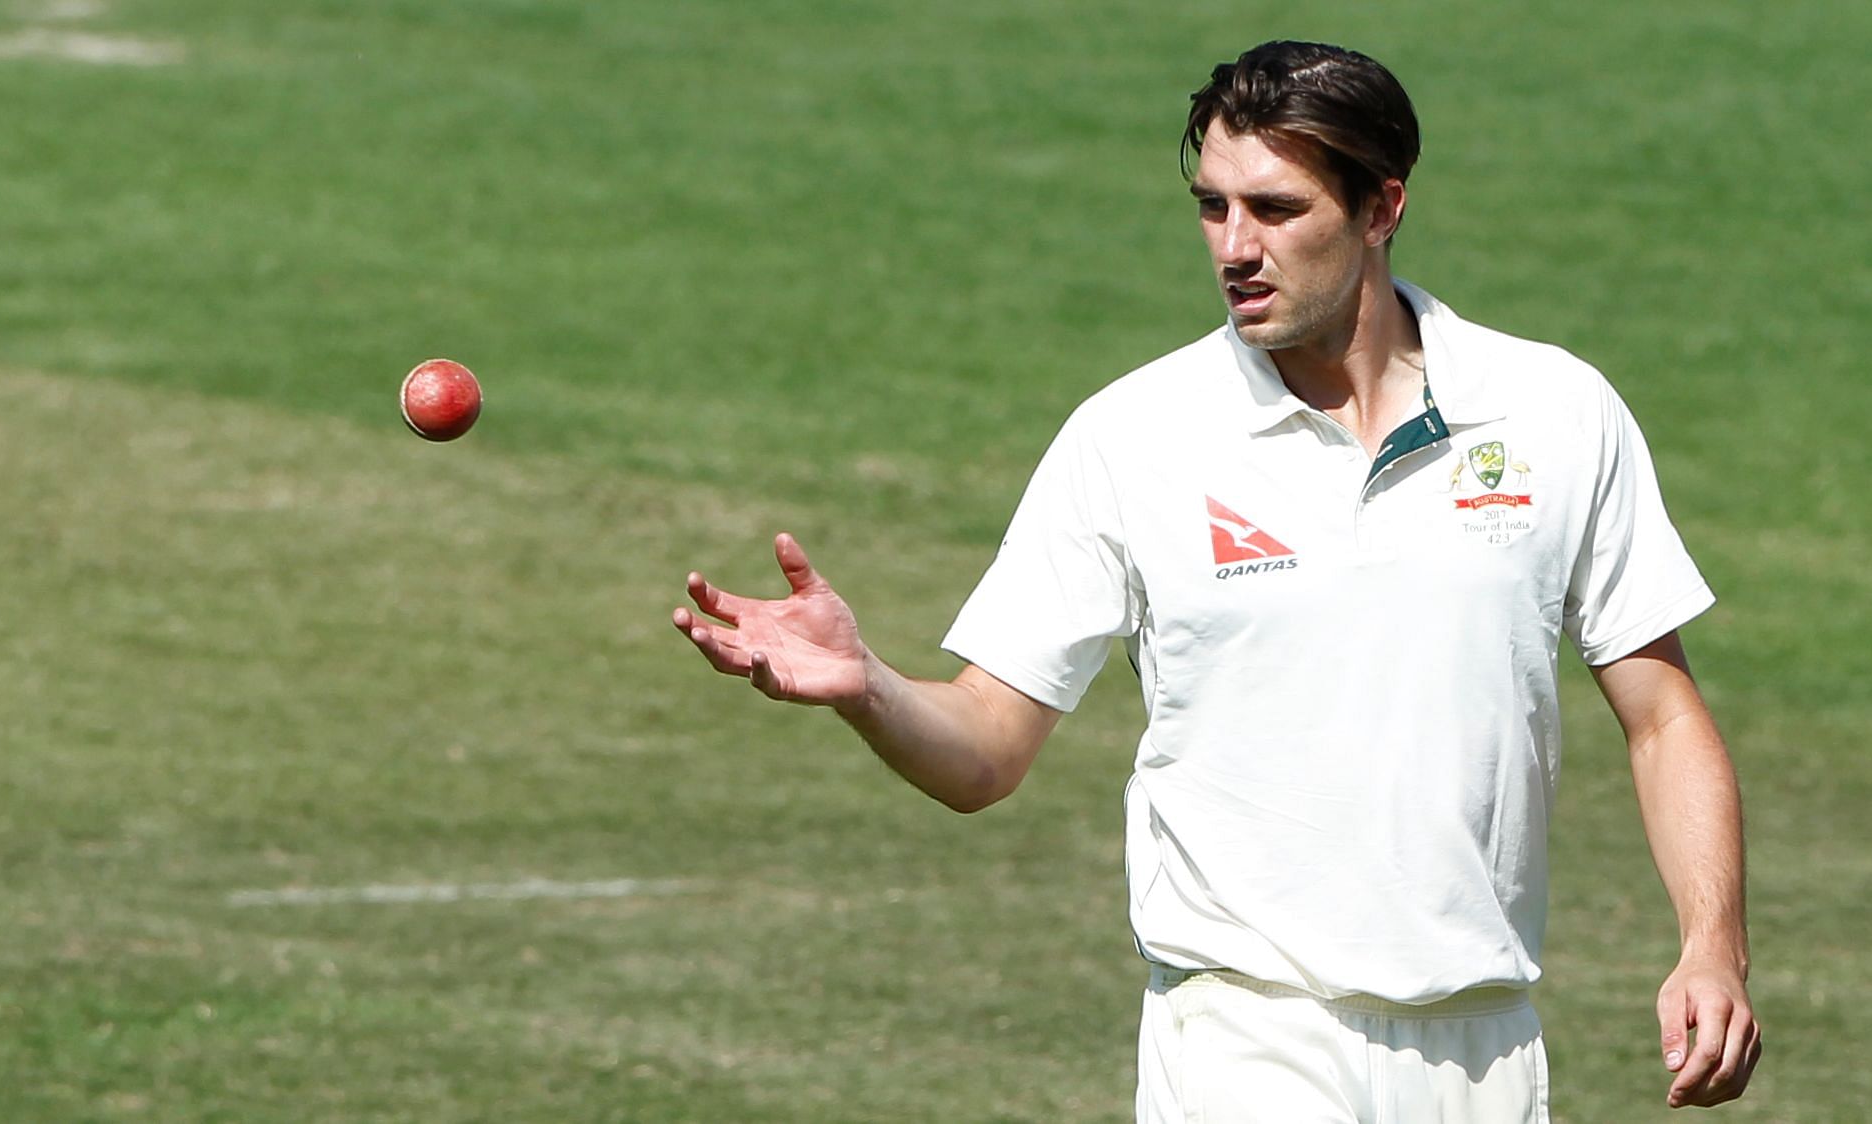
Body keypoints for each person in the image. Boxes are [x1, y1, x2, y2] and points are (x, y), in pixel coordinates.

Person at [673, 40, 1759, 1122]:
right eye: (1211, 207)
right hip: (1247, 1039)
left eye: (1275, 210)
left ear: (1381, 209)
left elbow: (1661, 713)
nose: (1234, 246)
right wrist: (866, 684)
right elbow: (984, 750)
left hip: (1486, 1045)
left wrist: (1712, 946)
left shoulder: (1553, 412)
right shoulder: (1134, 436)